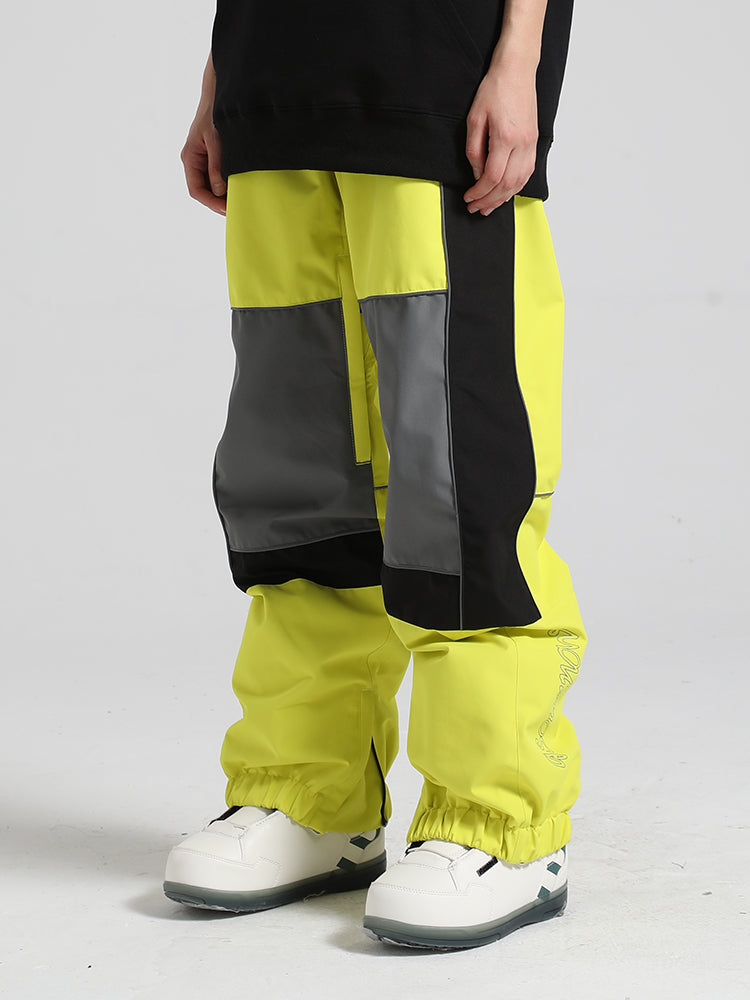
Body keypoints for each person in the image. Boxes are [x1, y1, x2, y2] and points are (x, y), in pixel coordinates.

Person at [164, 0, 586, 951]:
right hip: (277, 84)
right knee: (300, 484)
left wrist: (518, 57)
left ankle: (499, 823)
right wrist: (221, 78)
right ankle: (308, 796)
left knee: (459, 476)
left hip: (438, 79)